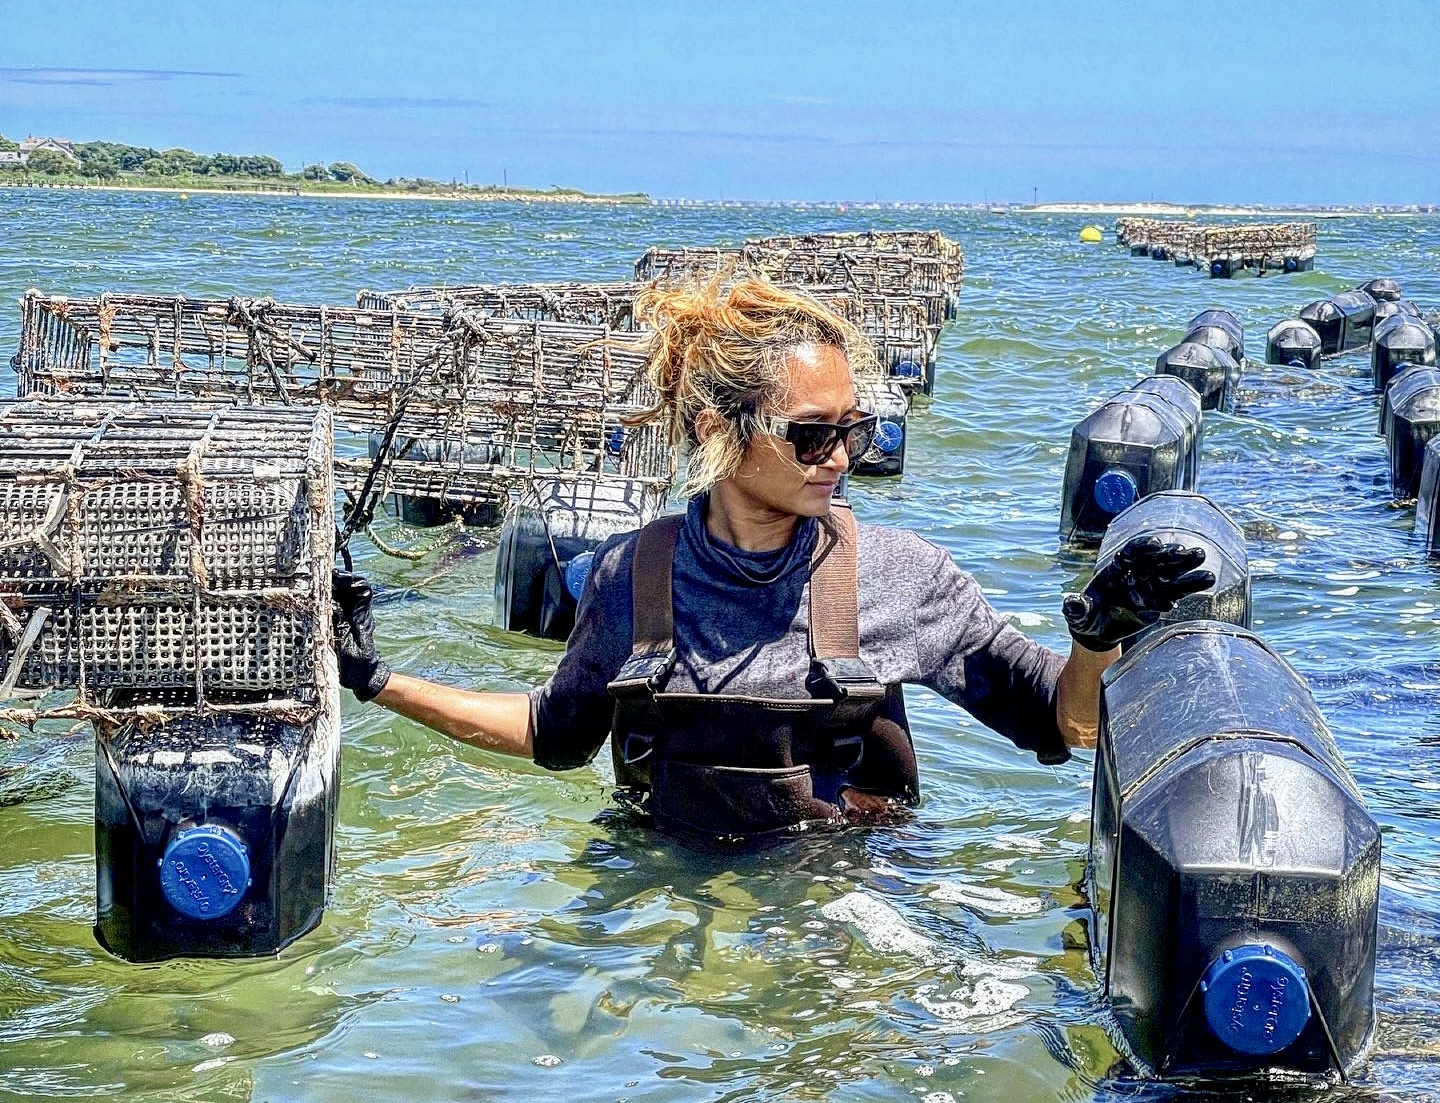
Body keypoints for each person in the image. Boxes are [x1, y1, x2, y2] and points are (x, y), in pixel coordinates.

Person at [333, 278, 1211, 842]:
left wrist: (1100, 639)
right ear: (720, 430)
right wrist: (376, 680)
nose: (841, 456)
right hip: (663, 899)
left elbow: (1068, 725)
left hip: (841, 903)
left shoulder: (906, 575)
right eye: (813, 434)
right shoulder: (629, 577)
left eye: (853, 430)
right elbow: (552, 734)